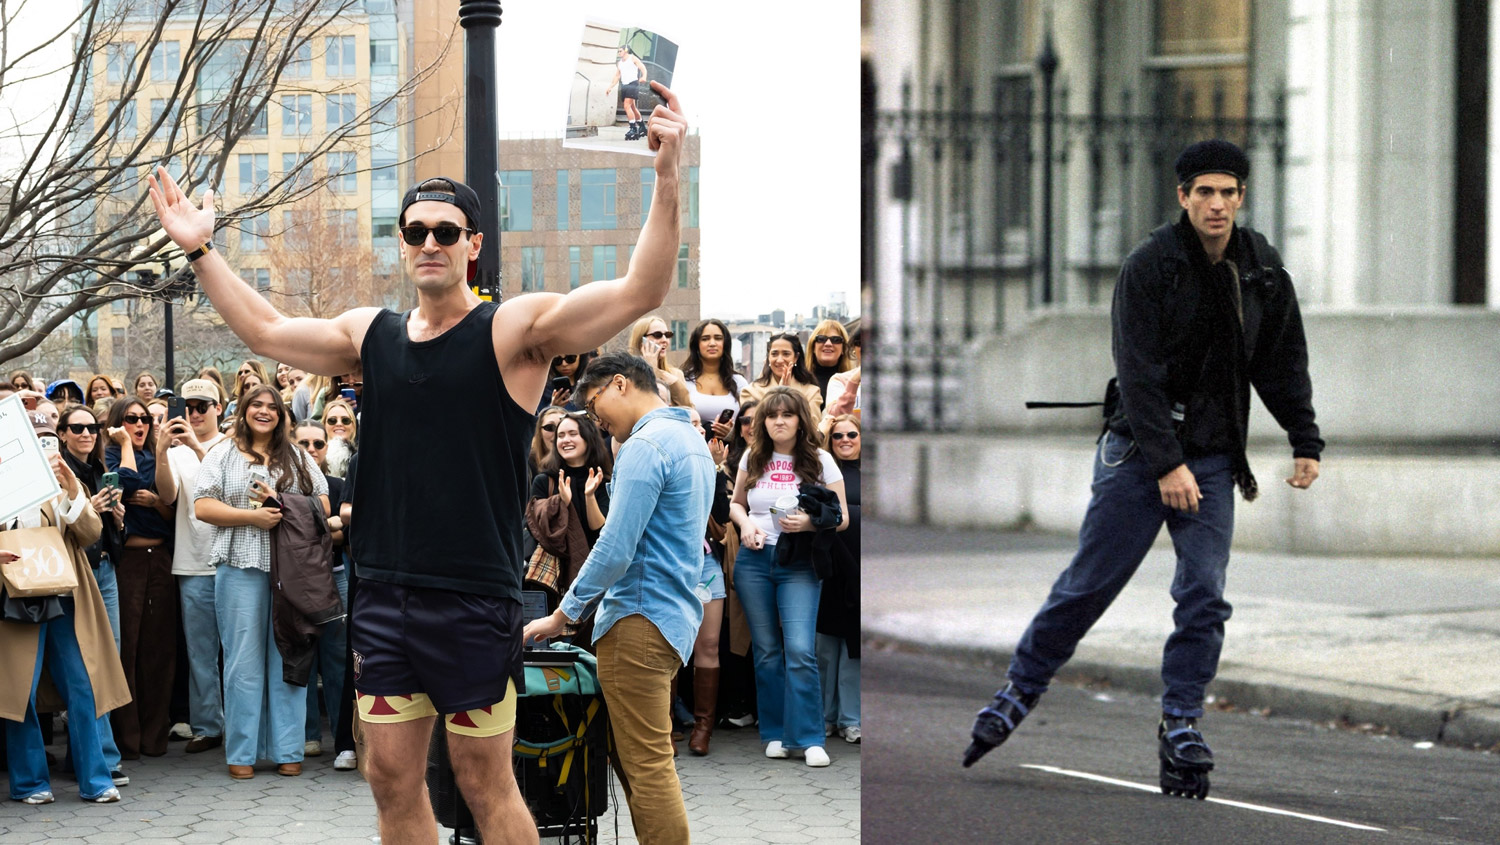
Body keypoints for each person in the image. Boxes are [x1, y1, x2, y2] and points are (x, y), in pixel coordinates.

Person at [147, 79, 686, 844]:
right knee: (391, 779)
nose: (430, 242)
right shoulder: (370, 334)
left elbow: (642, 289)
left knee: (484, 782)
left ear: (473, 244)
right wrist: (201, 250)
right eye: (416, 230)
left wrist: (666, 174)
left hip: (472, 597)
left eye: (446, 230)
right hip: (384, 594)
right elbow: (265, 330)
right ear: (402, 242)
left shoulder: (513, 331)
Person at [961, 139, 1323, 800]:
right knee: (1088, 586)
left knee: (1204, 591)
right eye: (1204, 192)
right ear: (1183, 196)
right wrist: (1166, 464)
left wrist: (1306, 438)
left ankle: (1181, 722)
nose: (1217, 204)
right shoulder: (1151, 265)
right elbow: (1138, 374)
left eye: (1229, 192)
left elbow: (1281, 358)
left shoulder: (1261, 268)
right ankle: (1021, 687)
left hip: (1211, 459)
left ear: (1242, 197)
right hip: (1138, 455)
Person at [524, 353, 713, 844]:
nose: (595, 418)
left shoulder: (645, 444)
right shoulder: (690, 440)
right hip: (667, 618)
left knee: (647, 766)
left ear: (620, 384)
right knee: (641, 762)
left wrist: (563, 615)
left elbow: (614, 546)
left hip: (638, 619)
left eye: (593, 403)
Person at [192, 386, 328, 779]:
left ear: (282, 415)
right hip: (239, 567)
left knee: (289, 656)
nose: (264, 412)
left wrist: (281, 504)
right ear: (244, 411)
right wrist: (251, 517)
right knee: (242, 663)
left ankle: (288, 748)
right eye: (257, 405)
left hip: (291, 571)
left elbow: (323, 502)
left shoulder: (297, 456)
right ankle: (242, 752)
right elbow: (202, 505)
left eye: (272, 407)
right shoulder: (222, 452)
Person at [1, 412, 130, 804]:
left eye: (48, 441)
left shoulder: (63, 484)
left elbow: (90, 533)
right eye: (34, 440)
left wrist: (73, 488)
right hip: (15, 595)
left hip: (64, 594)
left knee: (83, 684)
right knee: (20, 691)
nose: (43, 449)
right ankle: (30, 783)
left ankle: (96, 779)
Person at [729, 386, 848, 768]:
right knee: (766, 651)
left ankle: (809, 738)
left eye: (787, 414)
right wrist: (746, 525)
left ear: (800, 420)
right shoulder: (753, 456)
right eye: (771, 415)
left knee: (799, 649)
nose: (778, 421)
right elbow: (736, 504)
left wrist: (810, 523)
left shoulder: (821, 460)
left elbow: (842, 517)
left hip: (799, 562)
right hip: (754, 560)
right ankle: (776, 734)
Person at [57, 403, 131, 786]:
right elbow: (58, 528)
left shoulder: (102, 470)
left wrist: (117, 521)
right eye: (77, 428)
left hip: (106, 570)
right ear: (62, 434)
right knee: (89, 665)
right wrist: (88, 509)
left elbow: (112, 535)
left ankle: (89, 755)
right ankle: (101, 756)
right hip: (78, 575)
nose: (86, 433)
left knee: (108, 660)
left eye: (92, 427)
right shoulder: (59, 474)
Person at [153, 379, 228, 755]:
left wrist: (198, 448)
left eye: (203, 406)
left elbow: (228, 491)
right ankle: (208, 726)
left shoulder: (231, 445)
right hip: (192, 561)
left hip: (231, 560)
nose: (194, 414)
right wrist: (162, 450)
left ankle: (243, 726)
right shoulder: (176, 450)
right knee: (200, 653)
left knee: (238, 651)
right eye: (189, 407)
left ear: (219, 408)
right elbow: (167, 496)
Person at [103, 396, 178, 759]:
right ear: (118, 423)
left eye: (145, 418)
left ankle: (154, 737)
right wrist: (122, 446)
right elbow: (128, 482)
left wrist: (156, 503)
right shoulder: (108, 456)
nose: (140, 424)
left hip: (160, 558)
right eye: (131, 418)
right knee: (126, 649)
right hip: (126, 562)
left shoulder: (158, 456)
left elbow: (172, 506)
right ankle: (127, 740)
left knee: (159, 649)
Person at [292, 420, 350, 760]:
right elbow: (332, 529)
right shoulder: (284, 484)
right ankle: (308, 735)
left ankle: (344, 742)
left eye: (318, 443)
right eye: (304, 443)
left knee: (337, 660)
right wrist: (327, 526)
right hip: (295, 582)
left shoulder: (338, 485)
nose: (311, 450)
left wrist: (304, 527)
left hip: (335, 578)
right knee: (303, 658)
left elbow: (345, 533)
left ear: (327, 448)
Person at [681, 407, 731, 756]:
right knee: (670, 644)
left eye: (700, 423)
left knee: (709, 644)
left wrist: (715, 469)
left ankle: (703, 729)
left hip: (706, 563)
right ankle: (666, 725)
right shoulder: (665, 462)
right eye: (690, 424)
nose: (699, 429)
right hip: (671, 564)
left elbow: (722, 517)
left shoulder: (713, 468)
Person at [817, 415, 861, 744]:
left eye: (852, 434)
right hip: (828, 567)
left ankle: (851, 719)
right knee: (824, 648)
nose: (845, 439)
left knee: (853, 650)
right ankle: (823, 717)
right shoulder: (823, 474)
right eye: (837, 436)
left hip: (861, 569)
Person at [682, 318, 749, 445]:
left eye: (718, 338)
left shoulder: (739, 382)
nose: (712, 343)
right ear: (696, 345)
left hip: (731, 452)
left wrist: (731, 434)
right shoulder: (683, 381)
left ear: (725, 344)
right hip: (693, 449)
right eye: (705, 339)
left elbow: (751, 423)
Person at [740, 332, 824, 420]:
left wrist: (788, 395)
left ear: (796, 357)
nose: (779, 360)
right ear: (768, 357)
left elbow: (813, 425)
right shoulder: (751, 392)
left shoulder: (811, 393)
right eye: (774, 354)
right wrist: (778, 394)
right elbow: (752, 425)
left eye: (786, 354)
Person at [627, 314, 692, 407]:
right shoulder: (627, 376)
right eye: (657, 335)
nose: (665, 340)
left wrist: (675, 384)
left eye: (667, 335)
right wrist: (650, 369)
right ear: (641, 341)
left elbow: (689, 409)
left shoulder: (675, 374)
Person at [804, 319, 854, 405]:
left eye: (836, 339)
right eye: (821, 339)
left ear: (844, 348)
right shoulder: (800, 380)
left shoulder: (854, 382)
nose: (828, 343)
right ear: (813, 347)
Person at [606, 45, 650, 140]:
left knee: (626, 106)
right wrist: (610, 87)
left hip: (633, 84)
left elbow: (643, 67)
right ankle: (642, 127)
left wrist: (644, 77)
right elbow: (617, 76)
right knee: (632, 107)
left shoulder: (632, 58)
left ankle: (633, 129)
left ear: (626, 50)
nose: (619, 53)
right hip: (624, 85)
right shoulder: (620, 63)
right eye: (618, 51)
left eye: (620, 51)